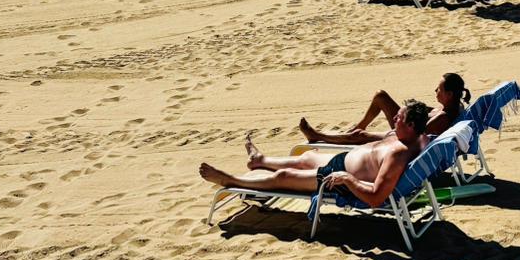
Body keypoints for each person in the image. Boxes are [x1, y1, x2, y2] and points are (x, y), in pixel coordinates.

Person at [199, 101, 431, 207]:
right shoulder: (416, 137)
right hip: (343, 163)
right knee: (307, 158)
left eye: (399, 118)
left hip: (338, 180)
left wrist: (347, 178)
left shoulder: (398, 155)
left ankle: (231, 181)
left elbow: (376, 198)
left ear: (411, 125)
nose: (394, 119)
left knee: (283, 177)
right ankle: (259, 161)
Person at [296, 72, 469, 146]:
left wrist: (404, 118)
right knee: (381, 96)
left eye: (439, 89)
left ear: (450, 94)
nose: (435, 91)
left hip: (404, 137)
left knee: (360, 137)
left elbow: (415, 136)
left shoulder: (444, 117)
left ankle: (317, 136)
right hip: (407, 125)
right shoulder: (453, 105)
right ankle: (359, 126)